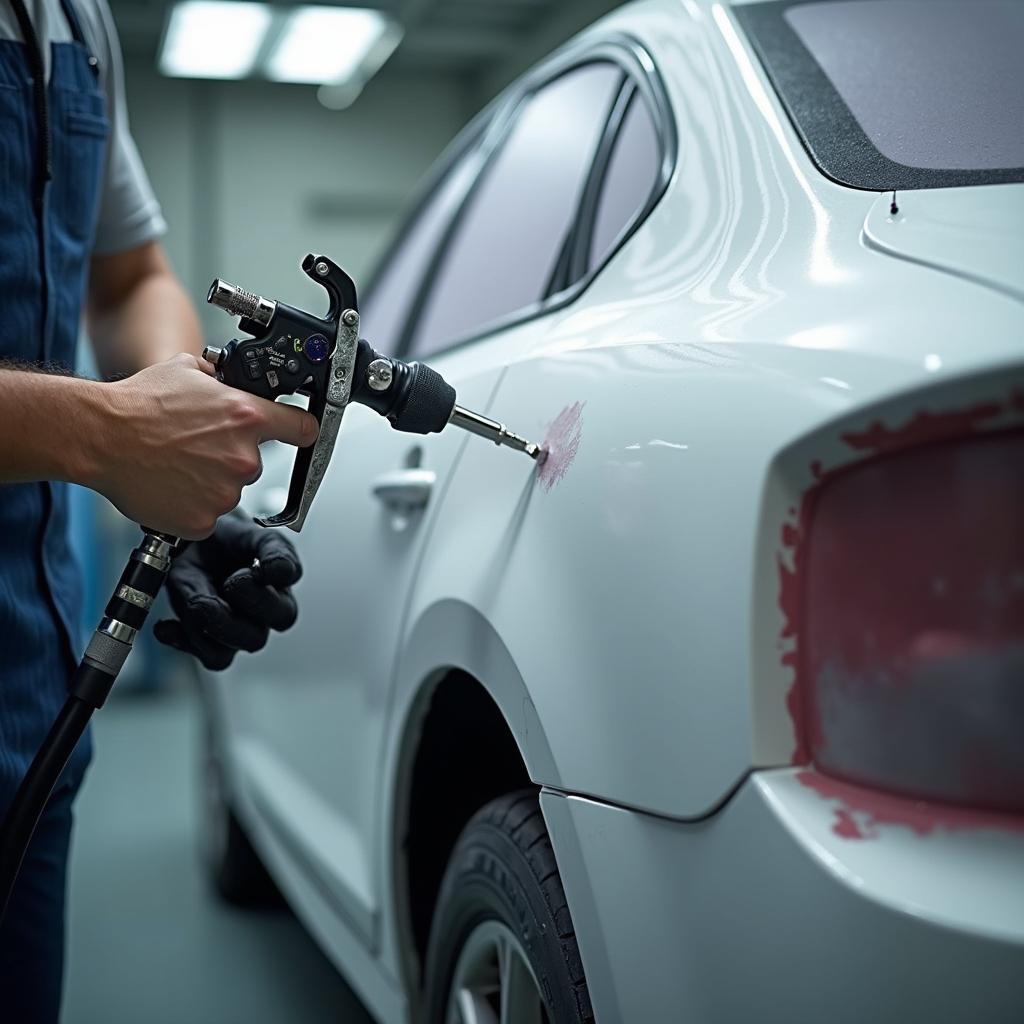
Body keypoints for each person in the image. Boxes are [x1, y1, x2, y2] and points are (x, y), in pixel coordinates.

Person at [0, 0, 317, 1017]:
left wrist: (171, 423)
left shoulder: (74, 20)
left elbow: (131, 273)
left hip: (35, 692)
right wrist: (105, 436)